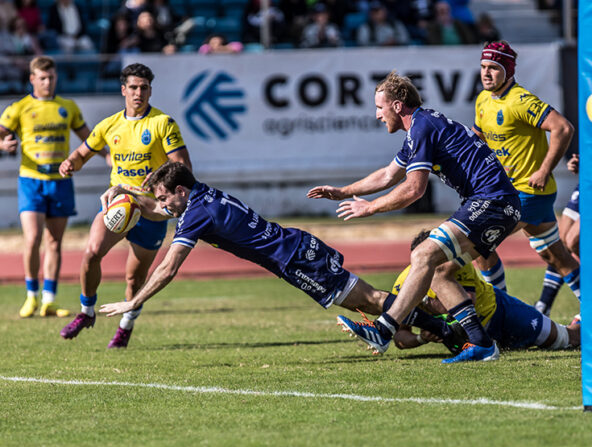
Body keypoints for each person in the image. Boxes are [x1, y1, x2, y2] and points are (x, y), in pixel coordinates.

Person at [98, 162, 466, 354]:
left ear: (180, 191)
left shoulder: (196, 214)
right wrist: (126, 194)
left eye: (165, 198)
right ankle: (446, 325)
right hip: (294, 246)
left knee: (368, 299)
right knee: (367, 299)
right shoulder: (200, 196)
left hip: (293, 259)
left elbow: (168, 267)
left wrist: (135, 301)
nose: (163, 206)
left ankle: (451, 329)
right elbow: (157, 211)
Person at [308, 71, 522, 363]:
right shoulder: (421, 128)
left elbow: (413, 189)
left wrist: (370, 208)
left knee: (423, 254)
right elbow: (387, 175)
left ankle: (383, 329)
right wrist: (343, 192)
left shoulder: (422, 126)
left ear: (397, 106)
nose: (377, 116)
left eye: (380, 108)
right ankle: (483, 344)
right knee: (438, 270)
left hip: (492, 201)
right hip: (498, 204)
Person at [59, 63, 192, 349]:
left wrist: (159, 178)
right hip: (120, 202)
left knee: (134, 278)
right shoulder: (109, 125)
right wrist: (71, 163)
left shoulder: (162, 123)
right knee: (92, 252)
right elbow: (83, 153)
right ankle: (86, 311)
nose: (138, 93)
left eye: (144, 88)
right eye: (133, 87)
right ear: (123, 90)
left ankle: (125, 326)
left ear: (150, 91)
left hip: (153, 210)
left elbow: (183, 167)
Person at [472, 41, 579, 322]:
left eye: (493, 68)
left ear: (507, 71)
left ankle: (500, 315)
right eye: (483, 67)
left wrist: (545, 169)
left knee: (479, 243)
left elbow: (563, 128)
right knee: (559, 259)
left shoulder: (520, 101)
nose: (486, 73)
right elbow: (478, 138)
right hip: (516, 194)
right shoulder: (483, 100)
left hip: (527, 193)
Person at [0, 56, 99, 318]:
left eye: (51, 77)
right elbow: (0, 134)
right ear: (32, 79)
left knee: (55, 242)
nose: (48, 81)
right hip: (31, 179)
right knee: (32, 239)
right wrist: (3, 145)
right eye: (42, 77)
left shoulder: (67, 107)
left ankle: (48, 300)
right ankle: (31, 296)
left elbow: (89, 139)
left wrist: (109, 155)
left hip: (61, 180)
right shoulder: (19, 107)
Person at [391, 230, 580, 353]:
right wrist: (420, 337)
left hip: (502, 314)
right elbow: (399, 338)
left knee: (567, 339)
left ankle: (589, 322)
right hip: (474, 337)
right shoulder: (402, 285)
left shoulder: (452, 265)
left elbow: (468, 303)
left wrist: (431, 318)